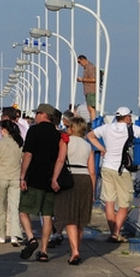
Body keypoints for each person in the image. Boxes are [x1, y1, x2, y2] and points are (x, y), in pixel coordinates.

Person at [87, 106, 140, 242]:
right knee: (124, 203)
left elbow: (90, 135)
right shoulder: (133, 129)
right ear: (127, 117)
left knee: (109, 202)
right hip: (124, 170)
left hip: (107, 167)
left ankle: (113, 233)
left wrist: (101, 148)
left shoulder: (106, 128)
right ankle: (116, 233)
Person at [18, 103, 61, 262]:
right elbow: (60, 158)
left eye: (37, 114)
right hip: (50, 180)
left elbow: (28, 154)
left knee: (23, 210)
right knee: (48, 215)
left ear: (43, 114)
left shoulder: (34, 131)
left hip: (34, 177)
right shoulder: (58, 135)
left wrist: (23, 176)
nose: (35, 117)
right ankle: (44, 251)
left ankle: (31, 238)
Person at [54, 116, 94, 264]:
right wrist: (93, 190)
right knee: (80, 218)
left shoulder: (66, 141)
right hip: (85, 180)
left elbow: (60, 160)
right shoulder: (88, 145)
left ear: (72, 128)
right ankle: (77, 247)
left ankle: (74, 250)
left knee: (70, 217)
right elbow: (92, 171)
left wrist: (54, 178)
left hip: (70, 178)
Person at [0, 119, 24, 245]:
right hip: (16, 176)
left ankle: (1, 234)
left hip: (1, 177)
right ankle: (15, 234)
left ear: (4, 130)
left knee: (0, 207)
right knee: (14, 208)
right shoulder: (19, 143)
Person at [77, 55, 98, 121]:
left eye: (79, 62)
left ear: (83, 60)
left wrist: (82, 79)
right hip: (87, 91)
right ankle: (92, 121)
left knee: (91, 108)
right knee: (89, 108)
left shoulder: (90, 67)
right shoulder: (86, 68)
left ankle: (93, 122)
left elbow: (94, 79)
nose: (79, 64)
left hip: (91, 90)